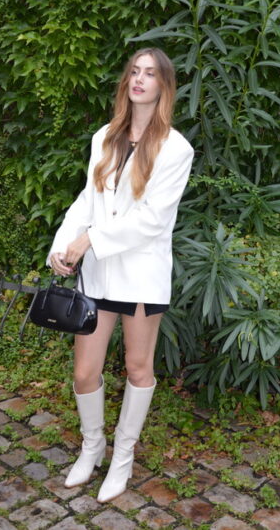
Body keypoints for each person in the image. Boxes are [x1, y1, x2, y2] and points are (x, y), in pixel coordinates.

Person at [47, 48, 194, 503]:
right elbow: (87, 199)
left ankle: (123, 457)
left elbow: (153, 219)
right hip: (99, 274)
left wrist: (90, 239)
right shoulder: (105, 137)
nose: (139, 79)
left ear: (163, 85)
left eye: (149, 73)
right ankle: (92, 447)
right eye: (134, 71)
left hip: (141, 274)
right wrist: (63, 243)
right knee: (84, 372)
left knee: (137, 366)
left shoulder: (176, 148)